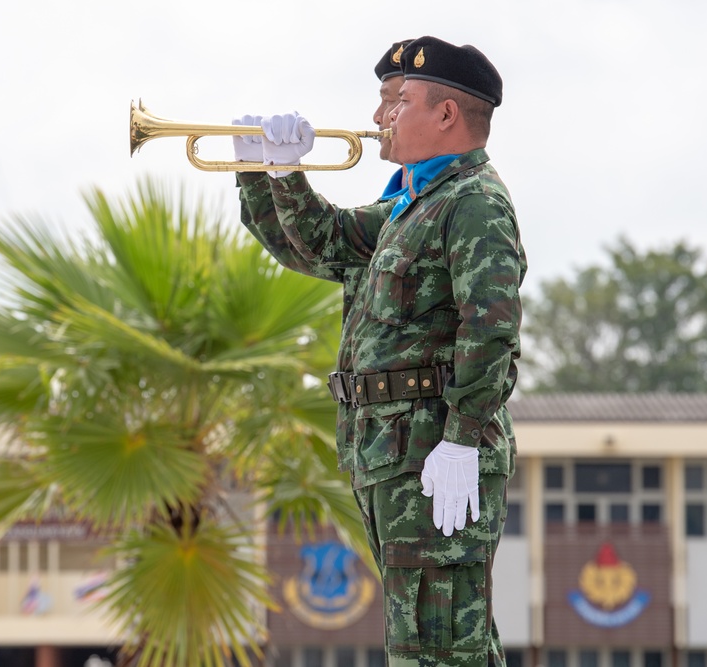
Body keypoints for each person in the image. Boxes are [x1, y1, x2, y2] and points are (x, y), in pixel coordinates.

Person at [256, 36, 526, 667]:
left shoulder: (473, 203)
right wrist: (268, 172)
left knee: (436, 649)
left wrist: (462, 438)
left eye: (398, 102)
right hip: (394, 451)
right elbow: (322, 245)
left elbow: (490, 332)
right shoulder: (410, 204)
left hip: (436, 450)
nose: (380, 117)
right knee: (440, 645)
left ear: (446, 115)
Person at [231, 40, 410, 512]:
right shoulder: (397, 206)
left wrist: (285, 169)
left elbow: (321, 238)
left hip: (415, 443)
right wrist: (255, 172)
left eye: (394, 99)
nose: (377, 116)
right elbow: (301, 253)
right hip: (382, 445)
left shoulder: (432, 205)